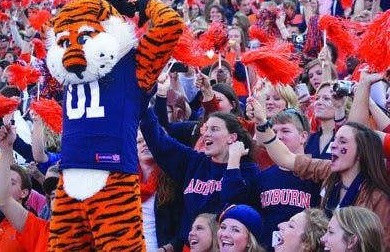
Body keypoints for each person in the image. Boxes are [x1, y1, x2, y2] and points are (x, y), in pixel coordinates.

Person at [246, 97, 390, 249]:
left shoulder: (378, 197)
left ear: (361, 152)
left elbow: (383, 245)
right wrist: (262, 123)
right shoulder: (328, 170)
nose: (333, 146)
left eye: (342, 142)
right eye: (335, 140)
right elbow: (286, 159)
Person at [140, 108, 259, 248]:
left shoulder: (248, 171)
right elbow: (160, 143)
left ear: (232, 138)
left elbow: (231, 205)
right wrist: (145, 103)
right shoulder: (194, 161)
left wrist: (233, 160)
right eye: (206, 129)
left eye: (214, 129)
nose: (206, 134)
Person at [222, 108, 321, 250]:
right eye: (274, 132)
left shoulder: (317, 175)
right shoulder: (263, 176)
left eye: (285, 131)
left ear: (303, 137)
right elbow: (231, 199)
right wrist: (233, 160)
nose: (278, 137)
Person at [0, 123, 49, 252]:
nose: (56, 196)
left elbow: (39, 155)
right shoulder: (41, 230)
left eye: (12, 183)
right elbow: (3, 201)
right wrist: (6, 148)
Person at [136, 129, 183, 251]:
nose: (145, 144)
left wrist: (166, 249)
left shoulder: (174, 180)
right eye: (139, 141)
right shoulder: (126, 181)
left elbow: (183, 230)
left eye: (149, 139)